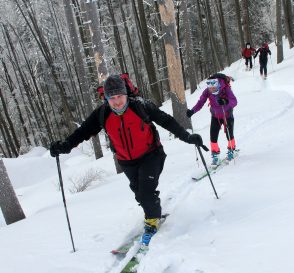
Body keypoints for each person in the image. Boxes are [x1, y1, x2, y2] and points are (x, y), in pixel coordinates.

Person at [50, 75, 204, 246]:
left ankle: (152, 220)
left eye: (119, 97)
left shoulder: (140, 106)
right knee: (140, 194)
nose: (116, 102)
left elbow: (166, 121)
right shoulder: (102, 113)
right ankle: (152, 206)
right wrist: (65, 145)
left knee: (146, 193)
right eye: (112, 98)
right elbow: (83, 132)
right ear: (106, 98)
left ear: (126, 95)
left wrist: (188, 137)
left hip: (151, 155)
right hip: (126, 162)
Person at [186, 73, 238, 166]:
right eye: (210, 88)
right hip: (215, 116)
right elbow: (200, 102)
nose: (211, 90)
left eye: (213, 88)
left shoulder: (226, 89)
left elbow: (234, 101)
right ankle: (215, 156)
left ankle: (231, 150)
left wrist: (225, 101)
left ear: (218, 85)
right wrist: (192, 111)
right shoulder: (207, 91)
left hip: (227, 115)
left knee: (229, 135)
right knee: (213, 137)